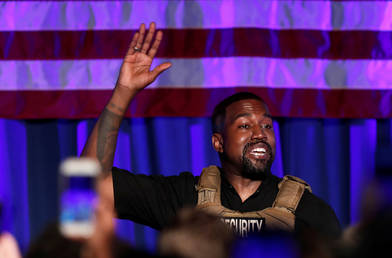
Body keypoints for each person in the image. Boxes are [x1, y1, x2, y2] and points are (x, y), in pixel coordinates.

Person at [81, 22, 341, 239]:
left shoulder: (308, 211)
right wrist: (123, 94)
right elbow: (88, 184)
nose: (260, 133)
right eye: (244, 125)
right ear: (218, 142)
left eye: (266, 125)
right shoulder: (183, 198)